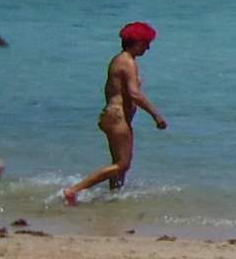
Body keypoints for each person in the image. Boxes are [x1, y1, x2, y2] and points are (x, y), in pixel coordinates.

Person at [61, 21, 167, 206]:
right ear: (137, 42)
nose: (148, 48)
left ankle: (113, 198)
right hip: (117, 117)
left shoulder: (119, 60)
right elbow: (134, 94)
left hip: (114, 116)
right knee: (122, 164)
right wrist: (155, 115)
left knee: (119, 165)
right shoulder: (127, 62)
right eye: (146, 43)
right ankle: (73, 190)